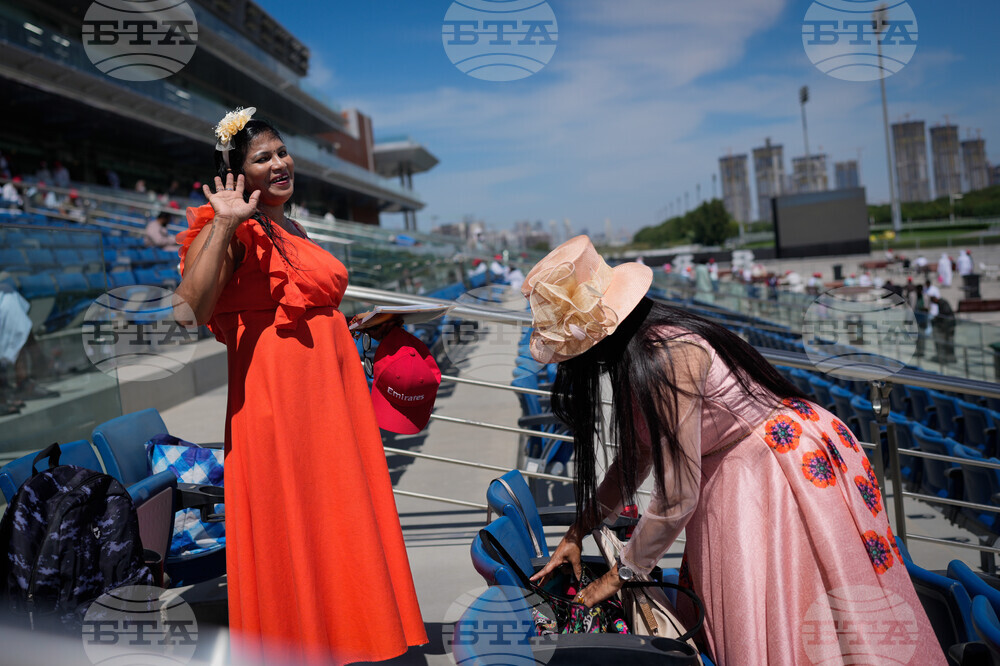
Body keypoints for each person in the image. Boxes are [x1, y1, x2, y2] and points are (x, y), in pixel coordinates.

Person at [525, 236, 944, 665]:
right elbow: (634, 461)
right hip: (743, 463)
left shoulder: (668, 358)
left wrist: (620, 576)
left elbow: (676, 497)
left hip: (777, 464)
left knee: (807, 599)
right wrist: (577, 531)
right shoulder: (644, 355)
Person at [173, 108, 426, 663]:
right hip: (280, 401)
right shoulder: (231, 225)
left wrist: (355, 325)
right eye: (262, 158)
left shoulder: (292, 225)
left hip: (326, 395)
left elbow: (301, 303)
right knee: (297, 514)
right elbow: (188, 310)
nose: (279, 163)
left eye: (281, 151)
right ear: (239, 175)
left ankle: (349, 633)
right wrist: (224, 222)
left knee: (334, 512)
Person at [930, 294, 957, 364]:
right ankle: (948, 357)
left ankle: (948, 357)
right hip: (949, 324)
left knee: (948, 341)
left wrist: (938, 318)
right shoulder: (941, 302)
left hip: (949, 324)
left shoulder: (942, 303)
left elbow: (945, 313)